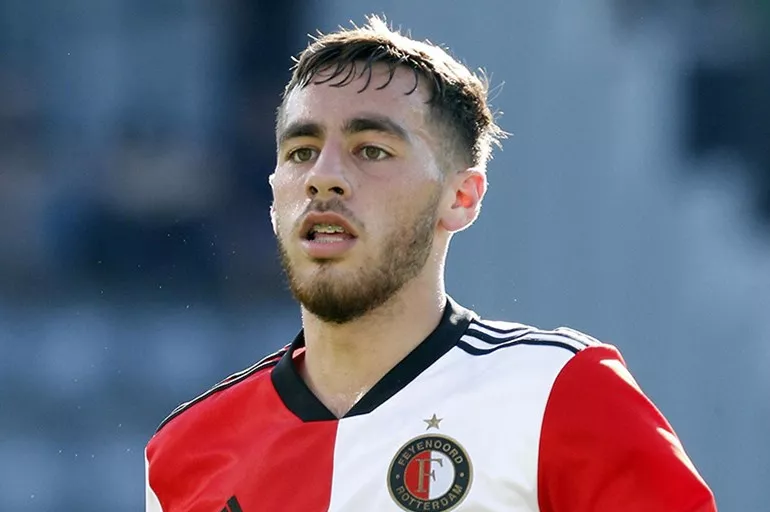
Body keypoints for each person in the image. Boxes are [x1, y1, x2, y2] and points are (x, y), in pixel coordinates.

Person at [145, 15, 717, 512]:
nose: (324, 176)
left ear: (461, 197)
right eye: (301, 152)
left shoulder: (558, 391)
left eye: (372, 150)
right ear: (274, 194)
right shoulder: (185, 450)